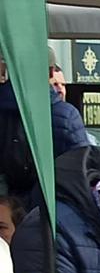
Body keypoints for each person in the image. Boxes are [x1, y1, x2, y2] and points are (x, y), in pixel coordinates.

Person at [0, 51, 89, 209]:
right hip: (49, 210)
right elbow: (80, 171)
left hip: (7, 208)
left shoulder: (4, 109)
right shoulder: (66, 115)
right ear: (50, 72)